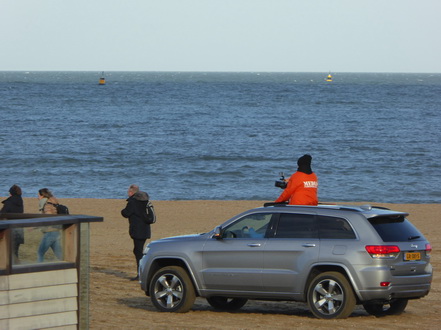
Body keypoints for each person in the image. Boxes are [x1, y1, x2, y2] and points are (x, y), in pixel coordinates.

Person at [121, 184, 151, 281]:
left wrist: (122, 211)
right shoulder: (145, 201)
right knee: (138, 250)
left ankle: (141, 273)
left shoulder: (133, 202)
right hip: (145, 229)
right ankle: (141, 272)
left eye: (128, 191)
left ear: (131, 192)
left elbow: (126, 213)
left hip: (137, 230)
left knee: (138, 252)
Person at [37, 188, 62, 262]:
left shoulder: (47, 205)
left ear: (42, 196)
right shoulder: (53, 202)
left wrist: (40, 224)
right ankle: (67, 268)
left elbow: (49, 217)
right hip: (56, 231)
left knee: (40, 252)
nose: (37, 197)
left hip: (50, 231)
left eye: (38, 195)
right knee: (59, 254)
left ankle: (39, 269)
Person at [0, 185, 25, 261]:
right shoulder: (20, 201)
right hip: (19, 229)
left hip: (9, 230)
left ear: (11, 193)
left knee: (9, 252)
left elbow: (2, 214)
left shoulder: (9, 203)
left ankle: (11, 268)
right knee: (15, 252)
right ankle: (15, 267)